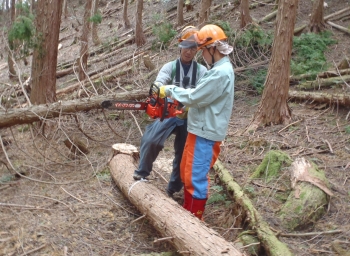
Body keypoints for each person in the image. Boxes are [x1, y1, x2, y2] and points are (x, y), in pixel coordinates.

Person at [158, 24, 235, 219]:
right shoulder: (218, 69)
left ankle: (193, 219)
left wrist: (169, 90)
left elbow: (195, 96)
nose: (201, 55)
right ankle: (187, 212)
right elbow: (204, 99)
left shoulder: (220, 72)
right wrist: (186, 108)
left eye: (202, 50)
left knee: (195, 178)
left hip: (205, 132)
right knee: (187, 171)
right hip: (199, 128)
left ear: (212, 48)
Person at [133, 26, 207, 198]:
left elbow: (204, 92)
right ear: (180, 46)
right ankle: (142, 172)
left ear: (197, 49)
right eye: (186, 47)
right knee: (152, 139)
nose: (189, 51)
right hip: (169, 112)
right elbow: (160, 81)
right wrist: (159, 89)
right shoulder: (170, 67)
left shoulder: (202, 71)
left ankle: (173, 188)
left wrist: (192, 105)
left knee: (183, 153)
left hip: (190, 116)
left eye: (193, 48)